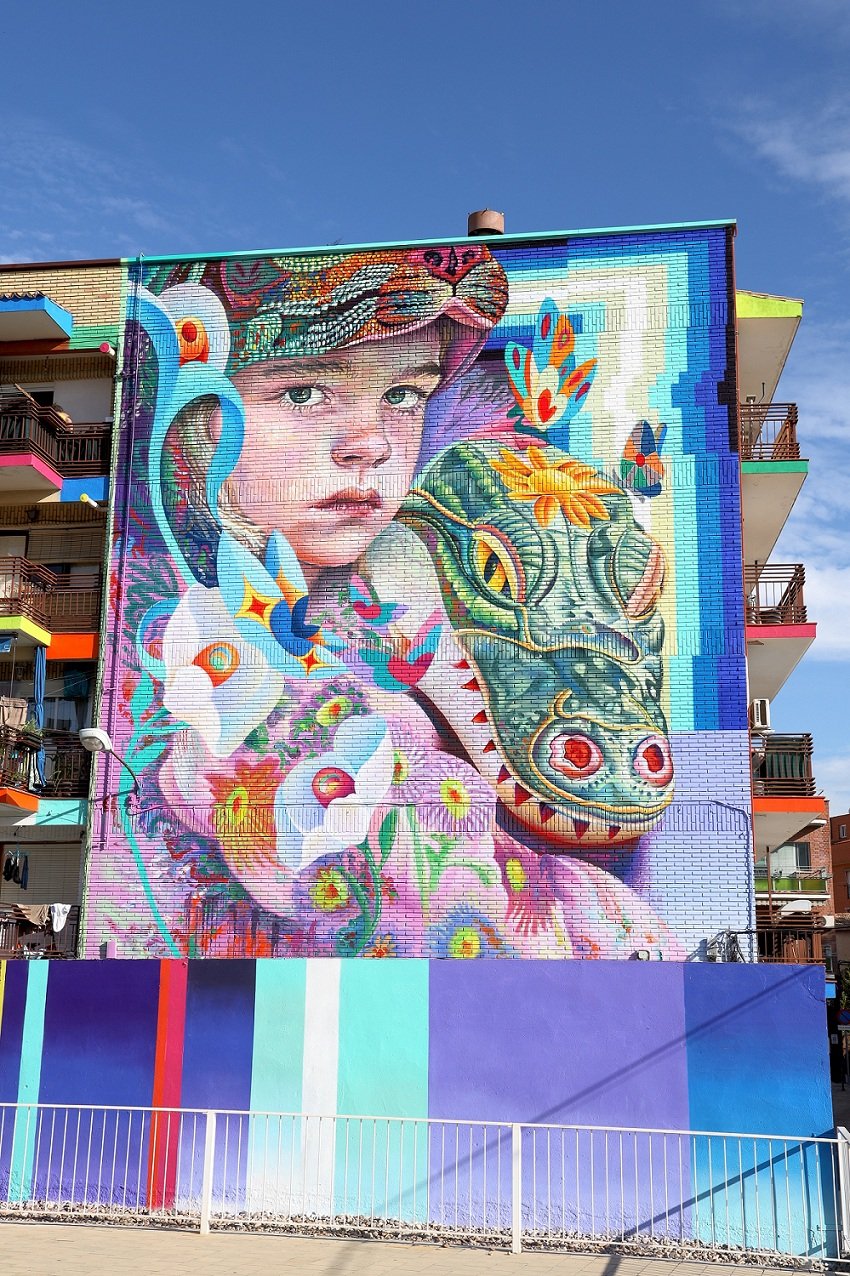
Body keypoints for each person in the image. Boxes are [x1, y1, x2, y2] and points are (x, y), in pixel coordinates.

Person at [116, 246, 681, 961]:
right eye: (303, 393)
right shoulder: (193, 651)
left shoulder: (393, 617)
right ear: (197, 423)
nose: (372, 444)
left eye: (405, 395)